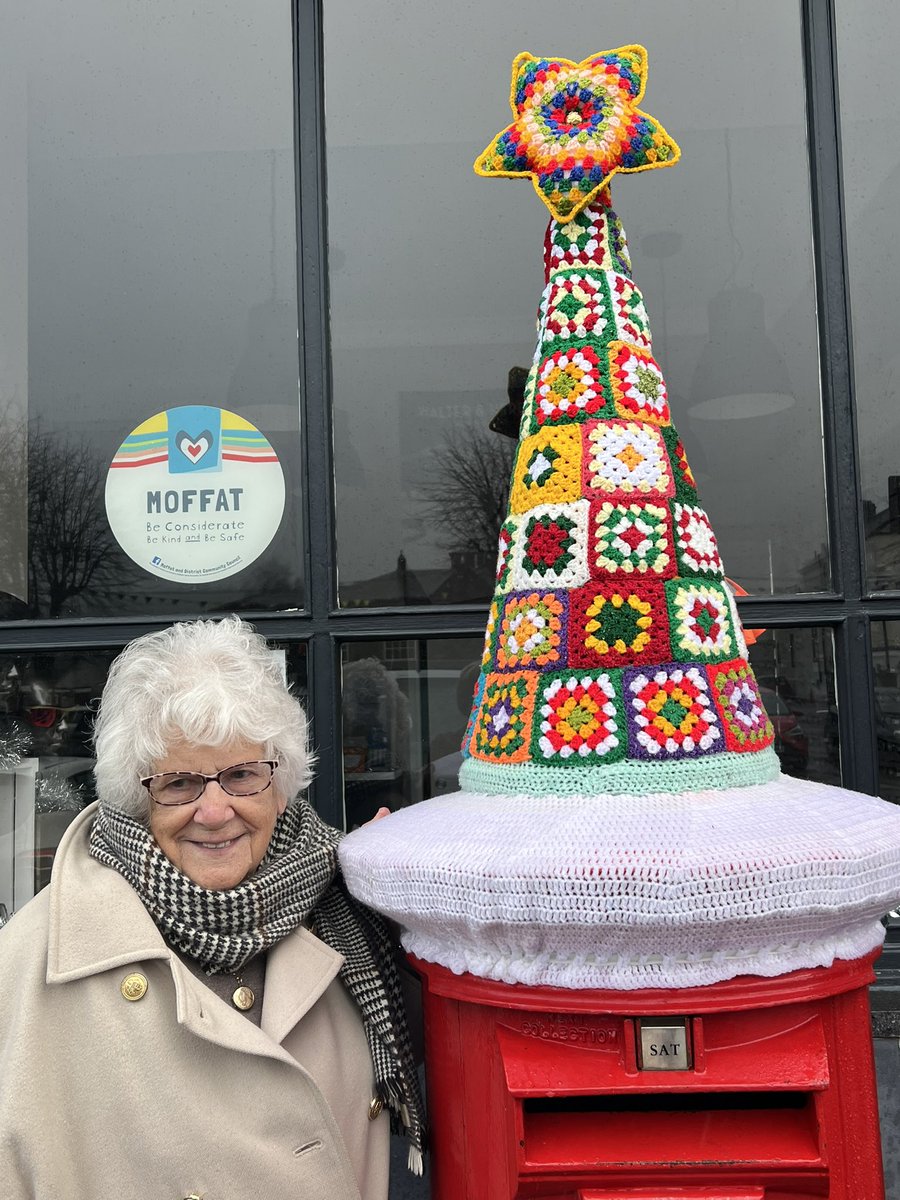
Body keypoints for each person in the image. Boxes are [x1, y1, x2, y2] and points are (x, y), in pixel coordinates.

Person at [0, 616, 424, 1199]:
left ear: (280, 781)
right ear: (134, 795)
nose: (216, 811)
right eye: (179, 784)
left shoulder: (350, 909)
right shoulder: (27, 963)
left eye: (242, 775)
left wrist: (408, 898)